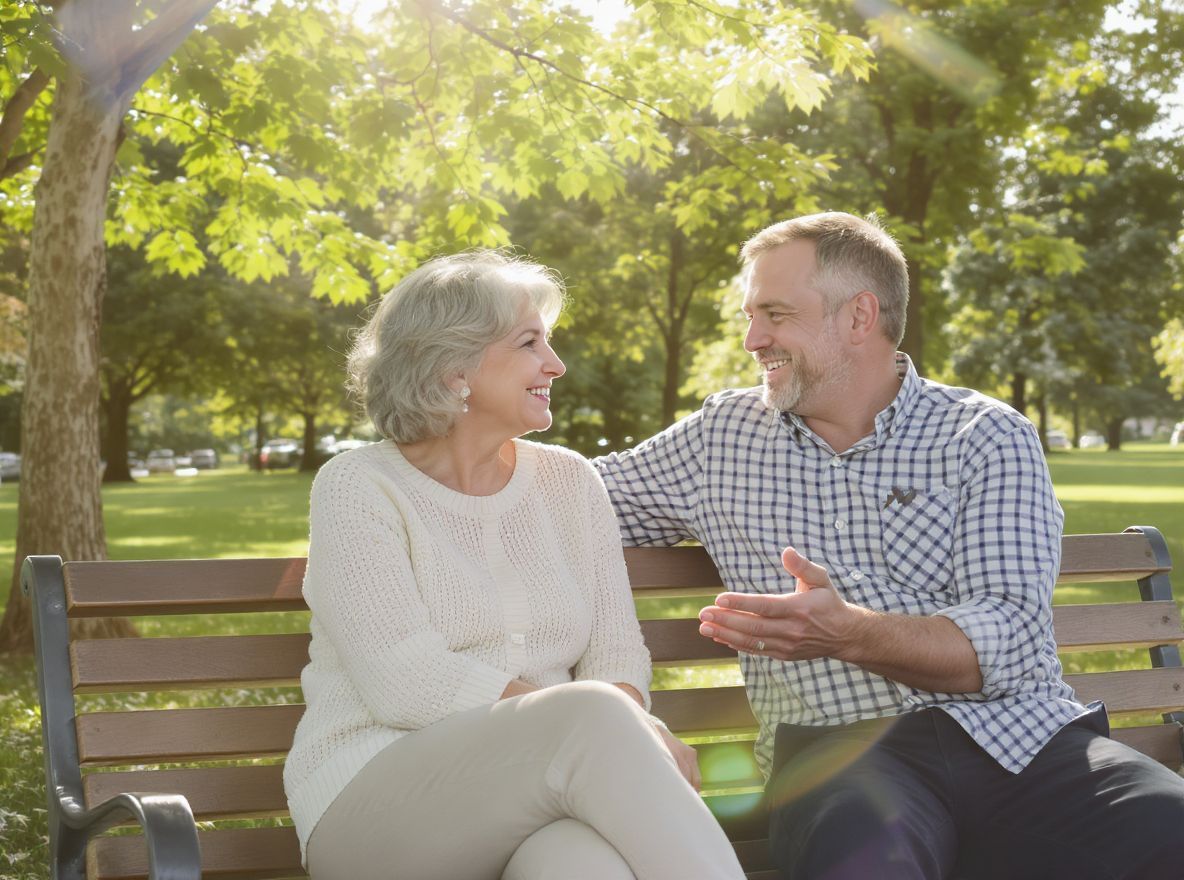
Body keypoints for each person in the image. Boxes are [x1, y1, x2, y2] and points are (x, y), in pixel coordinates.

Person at [593, 213, 1184, 880]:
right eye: (750, 316)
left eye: (775, 315)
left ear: (859, 316)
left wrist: (847, 632)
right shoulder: (720, 438)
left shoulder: (984, 435)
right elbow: (567, 498)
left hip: (1021, 740)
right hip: (842, 758)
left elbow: (1008, 641)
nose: (753, 339)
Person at [282, 251, 744, 880]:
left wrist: (605, 723)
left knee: (583, 867)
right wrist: (611, 726)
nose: (555, 364)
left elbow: (615, 654)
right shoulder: (358, 485)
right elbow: (404, 681)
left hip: (544, 795)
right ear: (453, 366)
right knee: (593, 712)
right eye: (530, 343)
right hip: (372, 806)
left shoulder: (570, 481)